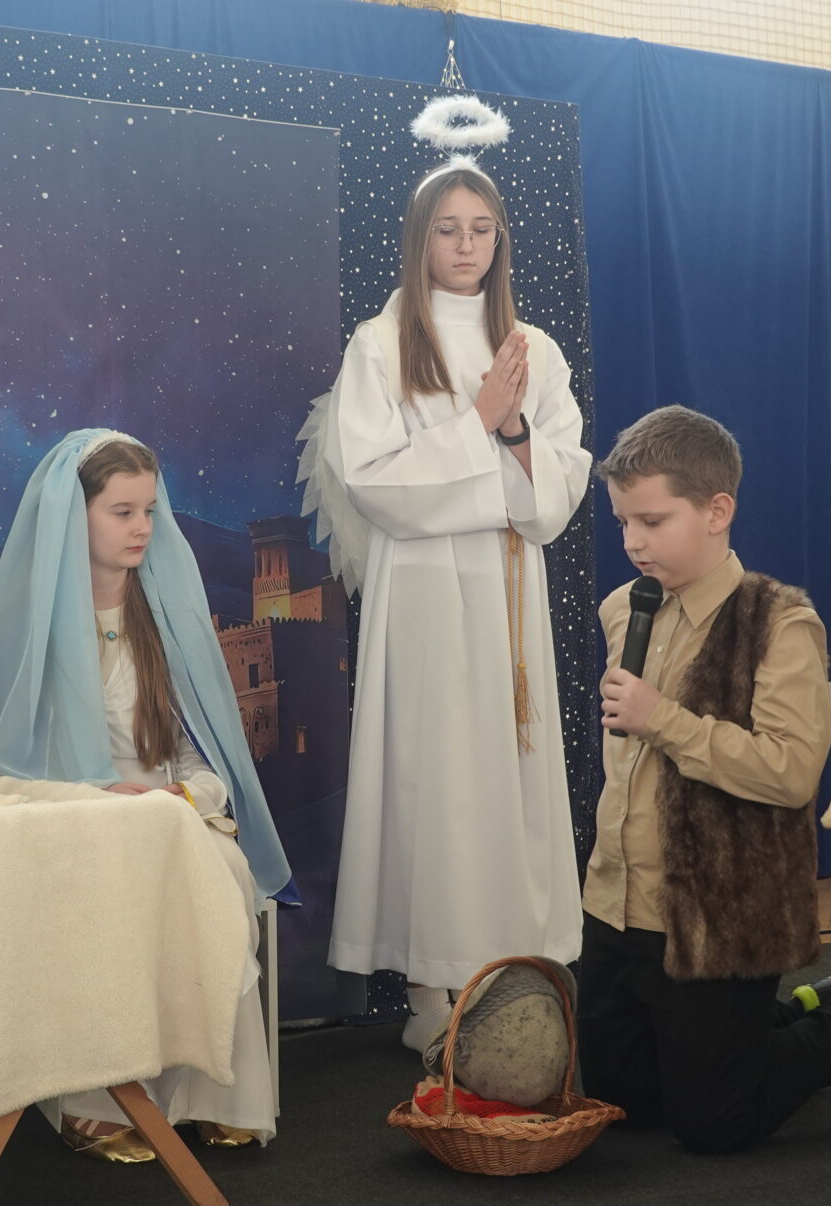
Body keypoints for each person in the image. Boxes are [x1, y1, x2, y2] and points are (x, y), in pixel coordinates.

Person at [578, 405, 831, 1152]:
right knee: (620, 1104)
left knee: (713, 1124)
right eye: (623, 522)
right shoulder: (622, 609)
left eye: (652, 521)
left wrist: (663, 719)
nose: (633, 541)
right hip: (617, 904)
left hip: (719, 913)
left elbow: (792, 772)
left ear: (717, 511)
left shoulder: (781, 624)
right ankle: (779, 1017)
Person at [304, 156, 591, 1049]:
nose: (466, 246)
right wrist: (479, 429)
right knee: (438, 778)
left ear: (500, 240)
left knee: (504, 775)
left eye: (481, 229)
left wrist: (510, 424)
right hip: (426, 593)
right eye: (447, 229)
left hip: (507, 591)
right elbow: (374, 480)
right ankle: (433, 990)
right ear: (419, 238)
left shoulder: (534, 349)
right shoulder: (383, 342)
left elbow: (556, 491)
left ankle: (508, 970)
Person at [0, 429, 286, 1161]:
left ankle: (213, 1090)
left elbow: (205, 756)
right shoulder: (30, 630)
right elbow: (0, 766)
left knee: (218, 869)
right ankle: (96, 1098)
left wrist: (177, 796)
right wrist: (91, 797)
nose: (142, 527)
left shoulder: (167, 622)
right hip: (66, 823)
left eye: (149, 510)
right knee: (105, 882)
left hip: (165, 815)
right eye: (121, 511)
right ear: (72, 517)